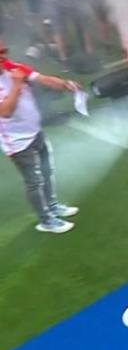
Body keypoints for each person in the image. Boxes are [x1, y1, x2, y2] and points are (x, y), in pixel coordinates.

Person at [0, 40, 81, 234]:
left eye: (4, 51)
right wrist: (17, 85)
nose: (4, 56)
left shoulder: (13, 68)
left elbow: (43, 79)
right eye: (0, 53)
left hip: (35, 131)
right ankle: (45, 220)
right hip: (17, 142)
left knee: (47, 171)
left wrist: (65, 84)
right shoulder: (14, 77)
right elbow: (5, 111)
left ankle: (52, 206)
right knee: (34, 181)